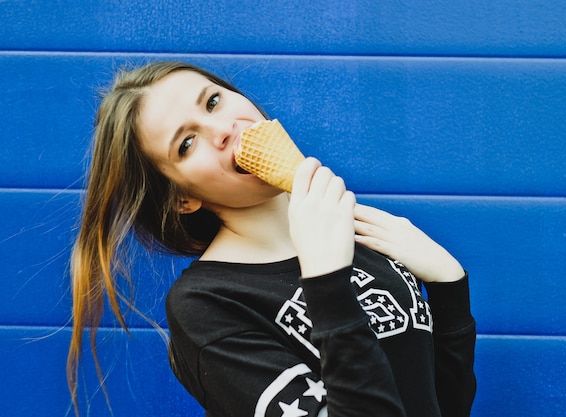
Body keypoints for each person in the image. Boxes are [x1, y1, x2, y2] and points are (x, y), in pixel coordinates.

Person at [67, 61, 476, 417]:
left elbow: (442, 407)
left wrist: (448, 286)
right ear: (182, 198)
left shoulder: (360, 238)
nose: (221, 129)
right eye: (186, 144)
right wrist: (326, 284)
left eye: (213, 101)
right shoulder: (206, 305)